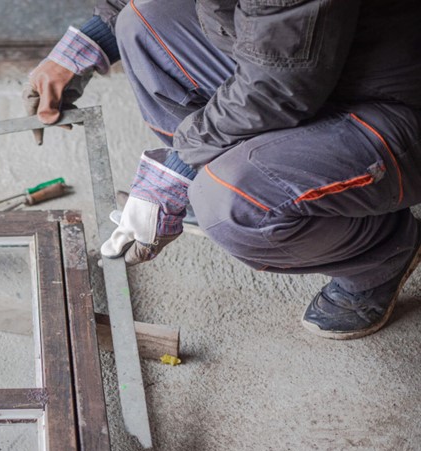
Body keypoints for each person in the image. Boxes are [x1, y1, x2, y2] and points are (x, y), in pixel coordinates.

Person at [24, 0, 421, 340]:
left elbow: (276, 90)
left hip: (392, 105)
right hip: (315, 64)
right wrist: (86, 45)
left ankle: (384, 254)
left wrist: (179, 167)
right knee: (140, 22)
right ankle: (232, 170)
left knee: (231, 203)